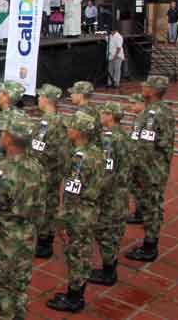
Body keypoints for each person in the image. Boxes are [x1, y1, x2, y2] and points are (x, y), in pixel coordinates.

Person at [0, 110, 44, 320]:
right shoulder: (36, 167)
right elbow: (41, 208)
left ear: (8, 138)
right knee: (20, 286)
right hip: (28, 236)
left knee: (1, 290)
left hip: (4, 241)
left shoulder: (1, 173)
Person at [47, 111, 104, 313]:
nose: (68, 130)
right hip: (90, 210)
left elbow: (72, 193)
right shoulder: (96, 152)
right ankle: (76, 293)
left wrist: (61, 220)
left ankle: (74, 298)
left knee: (76, 254)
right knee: (83, 252)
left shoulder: (79, 159)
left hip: (78, 214)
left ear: (79, 132)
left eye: (71, 127)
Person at [125, 76, 175, 262]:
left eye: (146, 86)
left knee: (152, 205)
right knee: (147, 202)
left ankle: (150, 247)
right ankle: (146, 230)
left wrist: (133, 162)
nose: (142, 87)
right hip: (147, 166)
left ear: (153, 90)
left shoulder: (155, 114)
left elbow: (147, 145)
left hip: (151, 169)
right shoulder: (152, 110)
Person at [89, 102, 131, 286]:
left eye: (103, 112)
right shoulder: (123, 135)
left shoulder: (108, 139)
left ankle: (108, 273)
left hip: (110, 194)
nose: (100, 115)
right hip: (121, 190)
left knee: (106, 231)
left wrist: (94, 192)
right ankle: (109, 268)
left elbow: (107, 171)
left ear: (110, 116)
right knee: (113, 231)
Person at [33, 84, 70, 259]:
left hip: (47, 171)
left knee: (47, 206)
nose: (38, 99)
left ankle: (45, 242)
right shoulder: (55, 120)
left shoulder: (51, 122)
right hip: (47, 170)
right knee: (47, 204)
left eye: (40, 97)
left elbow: (58, 152)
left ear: (47, 100)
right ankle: (44, 237)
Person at [0, 81, 26, 169]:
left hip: (6, 168)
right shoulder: (23, 117)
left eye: (1, 92)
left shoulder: (2, 120)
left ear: (7, 97)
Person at [126, 93, 146, 224]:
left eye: (134, 103)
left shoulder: (144, 119)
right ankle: (140, 212)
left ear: (142, 104)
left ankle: (142, 214)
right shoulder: (138, 118)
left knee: (139, 187)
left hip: (140, 159)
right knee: (136, 187)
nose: (131, 106)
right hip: (135, 157)